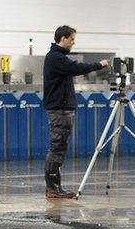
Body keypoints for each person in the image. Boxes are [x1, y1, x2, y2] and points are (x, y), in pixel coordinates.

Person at [43, 25, 109, 198]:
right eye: (71, 39)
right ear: (63, 38)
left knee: (59, 146)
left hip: (62, 108)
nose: (73, 42)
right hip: (60, 109)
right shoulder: (56, 58)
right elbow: (78, 68)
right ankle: (52, 188)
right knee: (57, 147)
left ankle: (55, 187)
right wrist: (99, 65)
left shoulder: (57, 57)